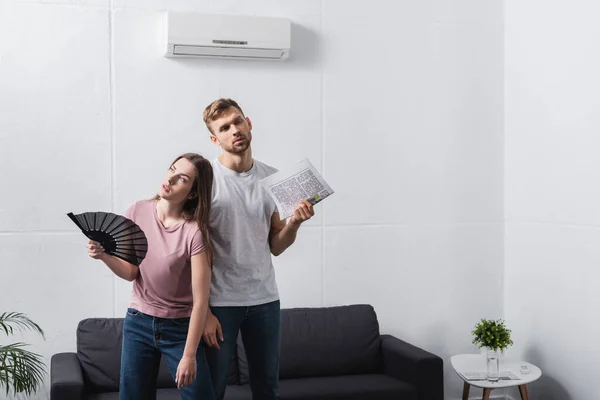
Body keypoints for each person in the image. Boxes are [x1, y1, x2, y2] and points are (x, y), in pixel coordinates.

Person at [201, 98, 315, 400]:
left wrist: (294, 224)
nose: (234, 130)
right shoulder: (205, 181)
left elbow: (276, 245)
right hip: (219, 302)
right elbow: (193, 250)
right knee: (212, 388)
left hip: (264, 299)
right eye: (224, 128)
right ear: (215, 139)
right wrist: (202, 311)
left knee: (267, 388)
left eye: (237, 121)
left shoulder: (274, 179)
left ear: (248, 123)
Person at [86, 152, 216, 400]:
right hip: (139, 323)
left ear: (193, 193)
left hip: (180, 328)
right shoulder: (136, 211)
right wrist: (104, 256)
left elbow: (201, 300)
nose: (170, 179)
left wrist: (189, 356)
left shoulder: (194, 233)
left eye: (182, 179)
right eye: (171, 170)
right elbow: (132, 272)